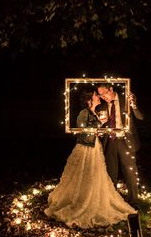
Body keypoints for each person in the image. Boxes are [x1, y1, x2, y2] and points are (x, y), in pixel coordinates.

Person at [45, 90, 135, 228]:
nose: (98, 97)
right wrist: (99, 124)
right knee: (84, 174)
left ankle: (95, 197)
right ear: (89, 100)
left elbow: (95, 131)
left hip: (95, 149)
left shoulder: (94, 112)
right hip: (86, 150)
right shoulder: (83, 113)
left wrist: (100, 124)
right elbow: (83, 135)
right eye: (95, 95)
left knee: (95, 174)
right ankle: (81, 200)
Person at [96, 83, 144, 209]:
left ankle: (134, 202)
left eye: (104, 93)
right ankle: (113, 201)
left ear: (111, 89)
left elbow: (140, 116)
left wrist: (133, 105)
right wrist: (101, 125)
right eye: (100, 95)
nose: (102, 97)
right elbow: (100, 125)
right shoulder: (102, 106)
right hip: (110, 141)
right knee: (111, 172)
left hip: (125, 141)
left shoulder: (126, 99)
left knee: (130, 172)